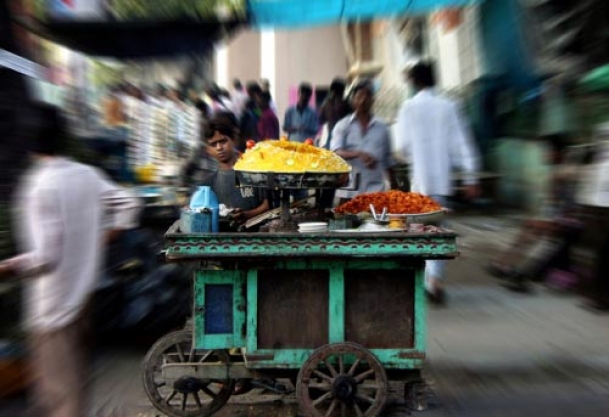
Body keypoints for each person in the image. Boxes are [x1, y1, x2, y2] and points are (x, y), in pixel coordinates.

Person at [0, 103, 141, 417]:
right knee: (71, 388)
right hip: (84, 300)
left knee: (62, 399)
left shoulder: (38, 185)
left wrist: (8, 266)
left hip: (52, 310)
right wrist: (105, 234)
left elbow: (45, 258)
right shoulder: (86, 175)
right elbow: (129, 202)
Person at [396, 62, 480, 305]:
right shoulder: (449, 106)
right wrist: (471, 176)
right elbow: (462, 142)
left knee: (419, 232)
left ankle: (424, 281)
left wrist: (417, 156)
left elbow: (401, 147)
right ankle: (436, 282)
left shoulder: (408, 107)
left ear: (414, 82)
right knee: (439, 232)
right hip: (442, 182)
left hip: (420, 182)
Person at [331, 79, 398, 203]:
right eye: (359, 96)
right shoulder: (343, 125)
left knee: (377, 221)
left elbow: (388, 160)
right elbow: (335, 152)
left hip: (376, 191)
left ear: (372, 100)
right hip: (349, 192)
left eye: (367, 96)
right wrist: (359, 154)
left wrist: (395, 185)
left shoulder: (382, 128)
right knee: (349, 221)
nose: (363, 100)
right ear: (353, 101)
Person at [199, 113, 269, 224]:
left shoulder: (255, 171)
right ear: (208, 149)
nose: (219, 148)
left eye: (223, 141)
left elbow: (268, 205)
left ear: (235, 139)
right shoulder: (208, 184)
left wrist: (247, 215)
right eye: (213, 144)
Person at [317, 77, 352, 208]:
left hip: (331, 145)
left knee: (329, 180)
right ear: (342, 91)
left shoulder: (327, 104)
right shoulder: (346, 104)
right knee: (347, 179)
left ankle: (324, 207)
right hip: (345, 145)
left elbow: (320, 120)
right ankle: (346, 207)